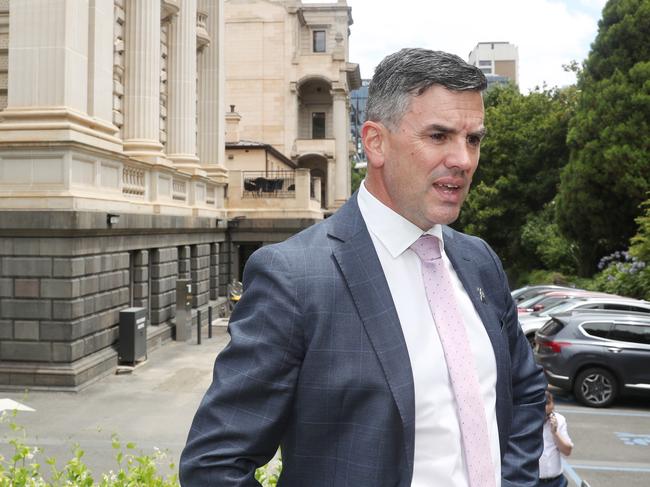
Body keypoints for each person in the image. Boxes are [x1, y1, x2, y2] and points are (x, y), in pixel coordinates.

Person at [179, 48, 547, 487]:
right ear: (375, 142)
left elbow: (525, 393)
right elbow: (214, 465)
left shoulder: (479, 261)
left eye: (473, 139)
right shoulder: (295, 278)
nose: (464, 160)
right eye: (438, 136)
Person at [538, 390, 573, 486]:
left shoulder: (559, 420)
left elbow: (567, 451)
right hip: (534, 481)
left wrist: (555, 433)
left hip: (556, 481)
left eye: (549, 414)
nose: (547, 418)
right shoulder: (527, 422)